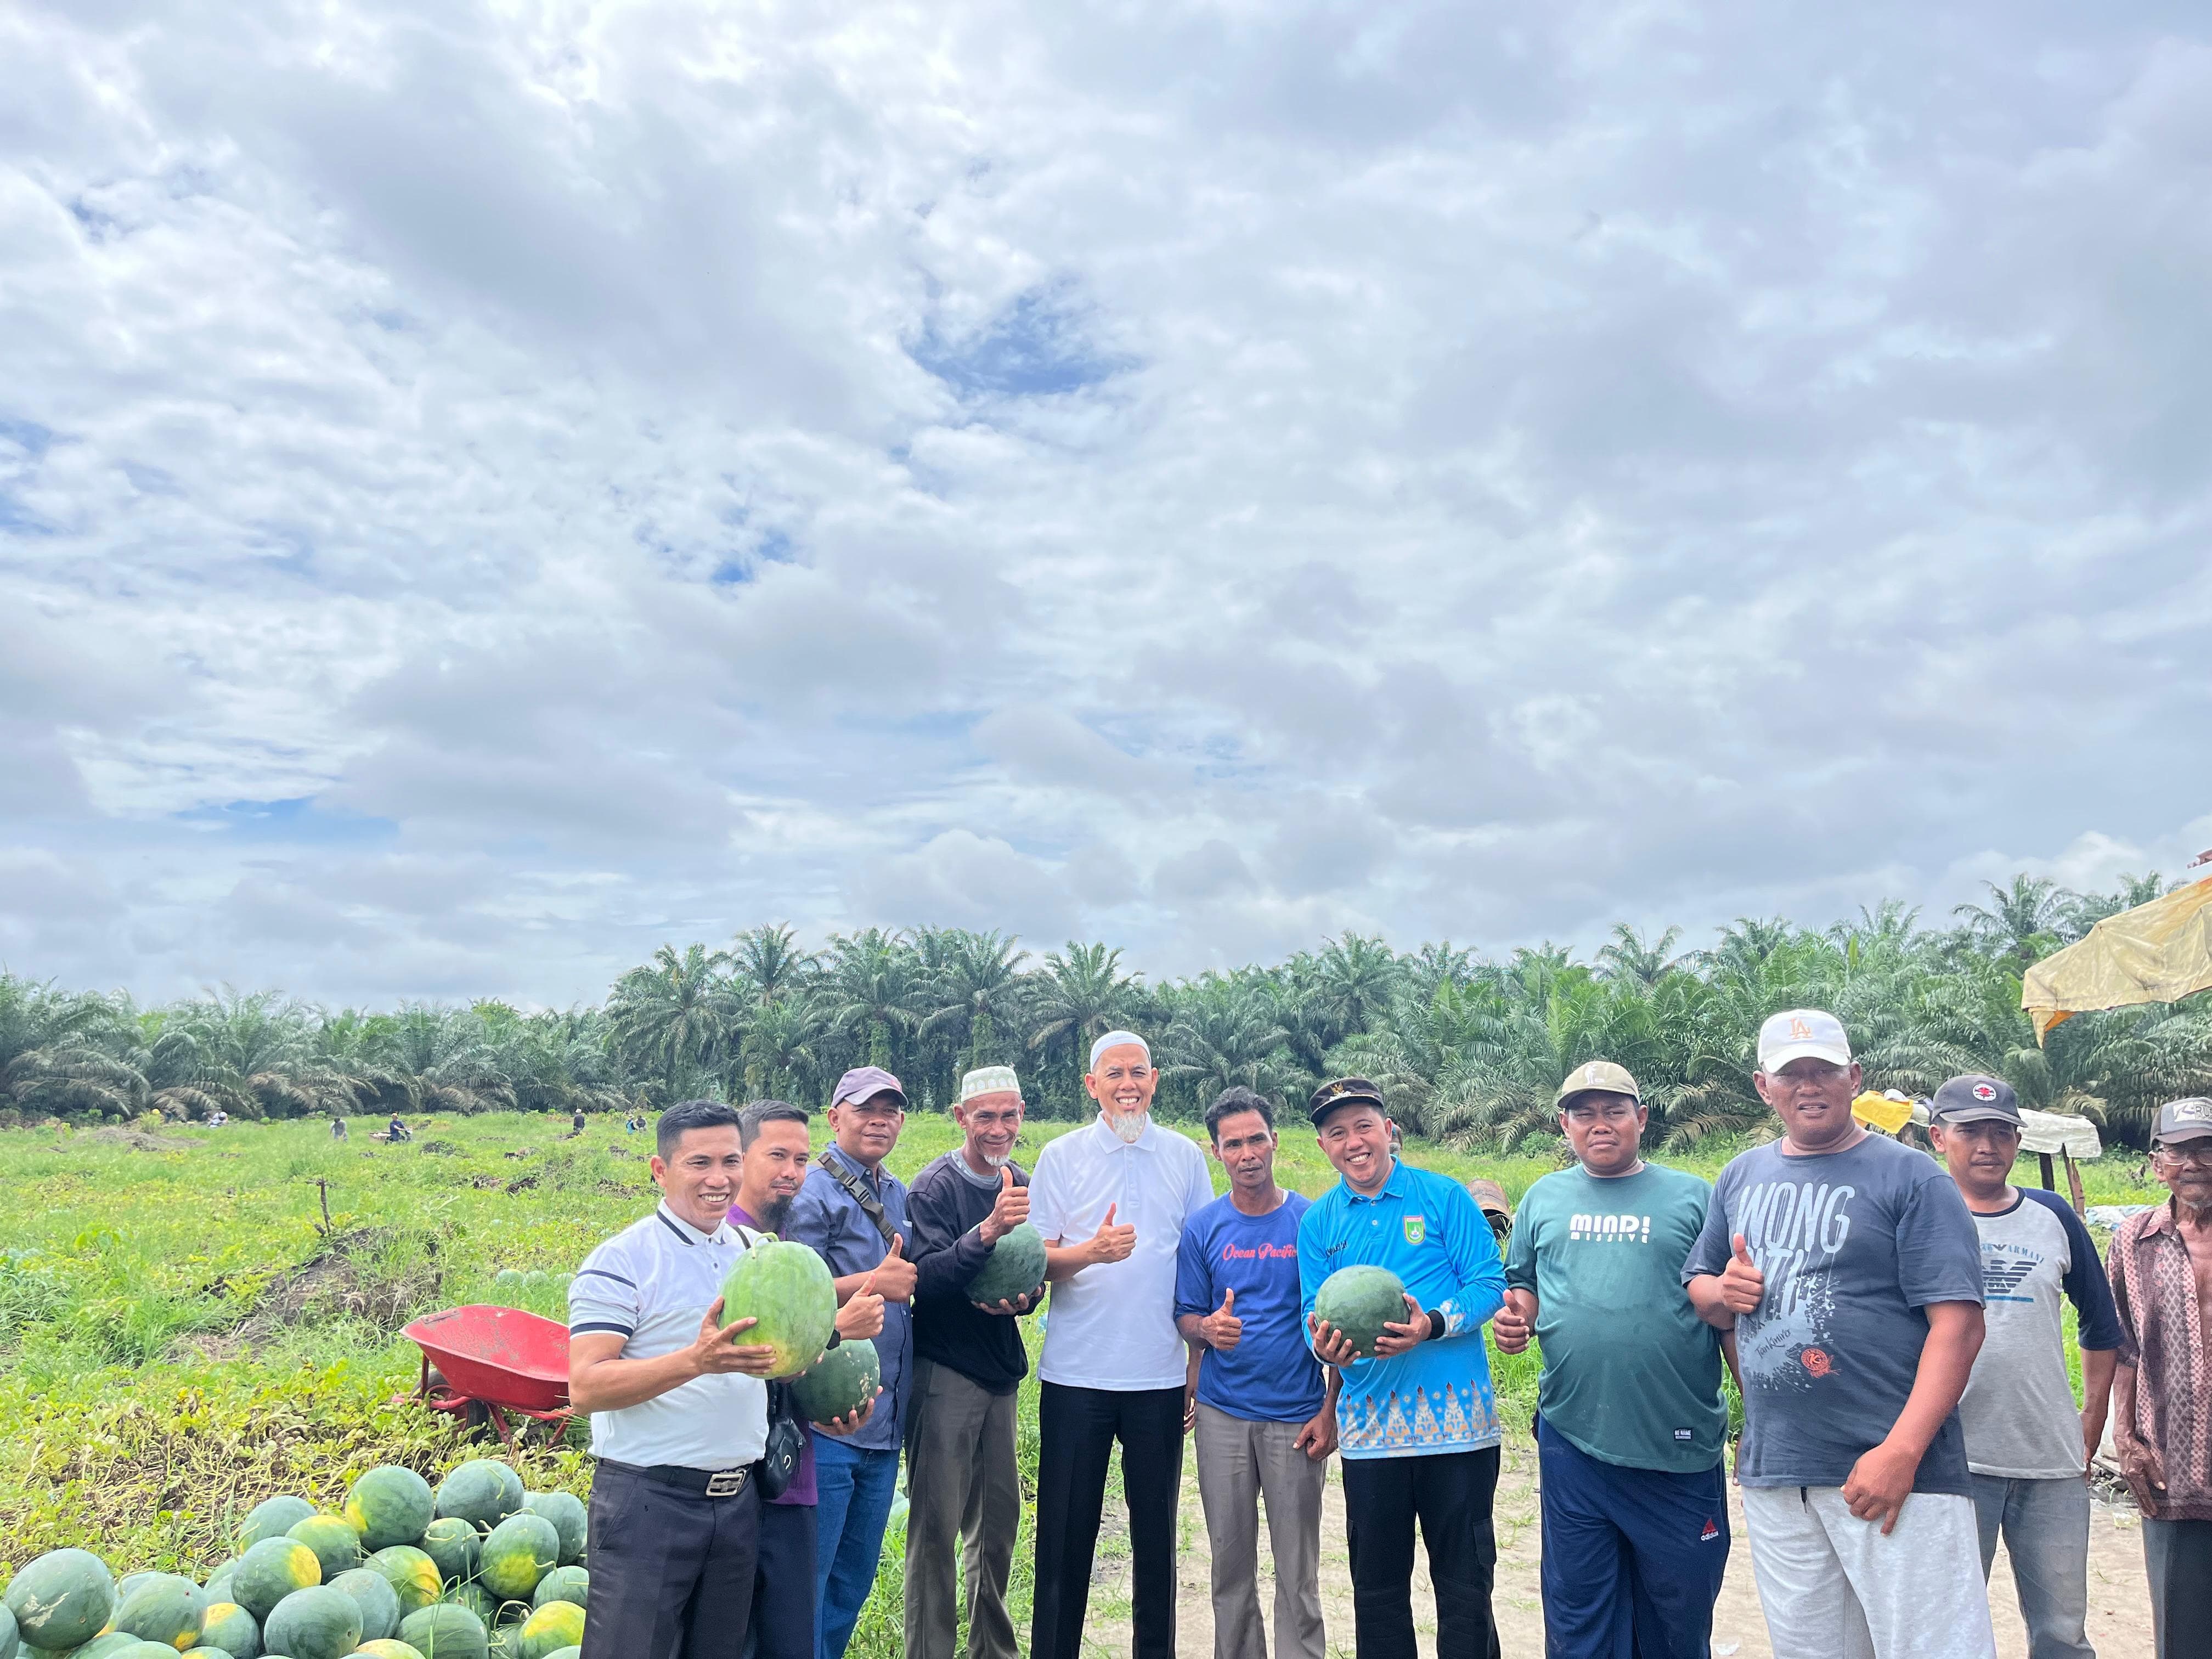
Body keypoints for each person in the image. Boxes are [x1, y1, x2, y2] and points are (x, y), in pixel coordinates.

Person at [1682, 1009, 1993, 1659]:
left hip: (1895, 1475)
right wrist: (1725, 1293)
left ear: (1855, 1077)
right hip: (1779, 1473)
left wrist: (1902, 1453)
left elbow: (1959, 1327)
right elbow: (1702, 1289)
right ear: (1764, 1088)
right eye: (1790, 1074)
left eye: (1823, 1069)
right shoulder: (1741, 1176)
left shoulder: (1912, 1179)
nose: (1808, 1085)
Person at [1493, 1060, 1732, 1659]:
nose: (1599, 1125)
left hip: (1674, 1446)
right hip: (1574, 1439)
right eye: (1584, 1114)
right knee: (1579, 1613)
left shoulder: (1693, 1197)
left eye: (1614, 1111)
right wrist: (1515, 1316)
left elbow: (1728, 1312)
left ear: (1641, 1119)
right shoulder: (1545, 1197)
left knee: (1678, 1616)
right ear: (1565, 1125)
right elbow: (1523, 1282)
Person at [566, 1100, 793, 1659]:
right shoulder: (622, 1262)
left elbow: (774, 1359)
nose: (720, 1179)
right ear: (660, 1170)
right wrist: (695, 1361)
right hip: (649, 1503)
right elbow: (586, 1388)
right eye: (699, 1163)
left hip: (737, 1502)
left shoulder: (755, 1254)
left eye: (731, 1161)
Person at [1299, 1076, 1508, 1659]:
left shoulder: (1443, 1198)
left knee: (1465, 1583)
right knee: (1378, 1590)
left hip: (1458, 1431)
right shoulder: (1319, 1224)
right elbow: (1308, 1317)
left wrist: (1431, 1325)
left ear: (1389, 1131)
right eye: (1337, 1133)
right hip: (1371, 1437)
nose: (1354, 1142)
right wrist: (1326, 1348)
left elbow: (1489, 1284)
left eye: (1364, 1126)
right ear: (1323, 1146)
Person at [1028, 1030, 1215, 1659]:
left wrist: (1195, 1362)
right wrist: (1090, 1253)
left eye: (1138, 1072)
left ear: (1155, 1080)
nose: (1127, 1085)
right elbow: (1034, 1263)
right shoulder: (1061, 1155)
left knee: (1156, 1542)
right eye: (1114, 1074)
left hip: (1158, 1379)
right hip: (1076, 1377)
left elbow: (1200, 1266)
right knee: (1062, 1540)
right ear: (1092, 1086)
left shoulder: (1186, 1157)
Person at [1926, 1072, 2121, 1659]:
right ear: (1939, 1137)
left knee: (2062, 1632)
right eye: (1971, 1132)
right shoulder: (1916, 1217)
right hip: (1953, 1462)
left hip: (2050, 1462)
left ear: (2018, 1141)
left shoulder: (2052, 1215)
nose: (1987, 1146)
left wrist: (2090, 1422)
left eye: (2001, 1133)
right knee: (1948, 1629)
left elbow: (2102, 1325)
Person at [1175, 1086, 1336, 1659]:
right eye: (1233, 1144)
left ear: (1276, 1142)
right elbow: (1186, 1314)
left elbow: (1336, 1323)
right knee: (1230, 1565)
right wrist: (1206, 1333)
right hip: (1223, 1417)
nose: (1247, 1154)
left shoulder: (1311, 1221)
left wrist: (1330, 1407)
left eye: (1256, 1140)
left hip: (1296, 1415)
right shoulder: (1204, 1228)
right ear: (1216, 1151)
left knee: (1298, 1570)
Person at [729, 1099, 885, 1659]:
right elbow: (750, 1360)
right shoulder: (729, 1247)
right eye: (777, 1156)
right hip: (743, 1486)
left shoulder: (783, 1249)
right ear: (738, 1158)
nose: (792, 1171)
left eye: (800, 1158)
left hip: (792, 1467)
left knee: (794, 1626)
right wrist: (836, 1331)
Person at [904, 1064, 1047, 1659]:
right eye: (985, 1116)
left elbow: (1032, 1266)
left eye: (1009, 1115)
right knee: (935, 1531)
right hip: (945, 1374)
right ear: (961, 1118)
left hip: (999, 1375)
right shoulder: (933, 1187)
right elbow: (924, 1280)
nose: (998, 1128)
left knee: (996, 1529)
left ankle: (994, 1650)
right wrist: (986, 1232)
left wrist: (1027, 1296)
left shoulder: (1023, 1180)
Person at [785, 1066, 917, 1659]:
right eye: (866, 1109)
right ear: (835, 1117)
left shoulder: (896, 1192)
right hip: (828, 1421)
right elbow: (793, 1295)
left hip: (883, 1424)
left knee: (852, 1580)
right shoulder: (811, 1193)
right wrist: (875, 1282)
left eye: (890, 1111)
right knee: (810, 1579)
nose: (878, 1120)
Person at [2106, 1096, 2212, 1659]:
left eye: (2206, 1149)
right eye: (2179, 1151)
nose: (2192, 1163)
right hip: (2173, 1466)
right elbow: (2120, 1345)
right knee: (2182, 1633)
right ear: (2156, 1163)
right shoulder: (2133, 1240)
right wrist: (2125, 1437)